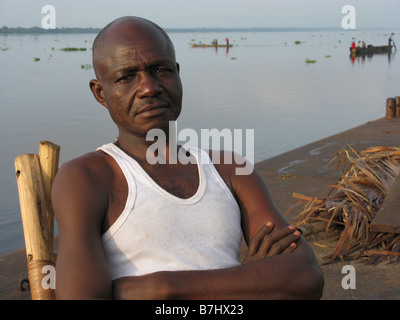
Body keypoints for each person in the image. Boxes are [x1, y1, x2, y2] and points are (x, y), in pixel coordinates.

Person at [52, 16, 324, 300]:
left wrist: (159, 289)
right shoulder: (86, 177)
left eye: (161, 70)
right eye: (127, 76)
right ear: (100, 93)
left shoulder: (229, 169)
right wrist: (247, 279)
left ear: (177, 73)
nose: (149, 87)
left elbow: (304, 276)